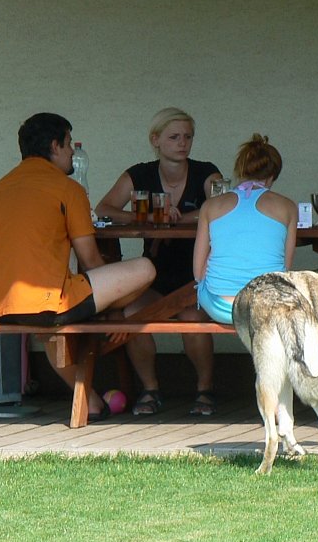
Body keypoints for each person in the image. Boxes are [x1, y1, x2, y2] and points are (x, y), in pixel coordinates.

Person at [0, 112, 156, 422]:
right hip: (50, 303)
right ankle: (111, 324)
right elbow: (90, 260)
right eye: (69, 144)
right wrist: (112, 306)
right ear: (55, 146)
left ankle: (94, 403)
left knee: (50, 333)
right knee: (144, 268)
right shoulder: (67, 189)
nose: (73, 151)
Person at [95, 108, 224, 416]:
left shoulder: (207, 172)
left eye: (188, 136)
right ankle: (150, 390)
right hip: (152, 276)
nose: (183, 143)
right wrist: (148, 217)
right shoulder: (139, 174)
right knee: (131, 313)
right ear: (156, 140)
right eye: (174, 136)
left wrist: (184, 219)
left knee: (193, 320)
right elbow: (103, 208)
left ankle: (205, 390)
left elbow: (223, 206)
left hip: (196, 276)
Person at [194, 134, 296, 332]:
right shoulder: (288, 207)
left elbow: (198, 274)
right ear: (271, 176)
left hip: (220, 307)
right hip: (267, 307)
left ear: (240, 170)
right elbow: (286, 268)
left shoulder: (210, 206)